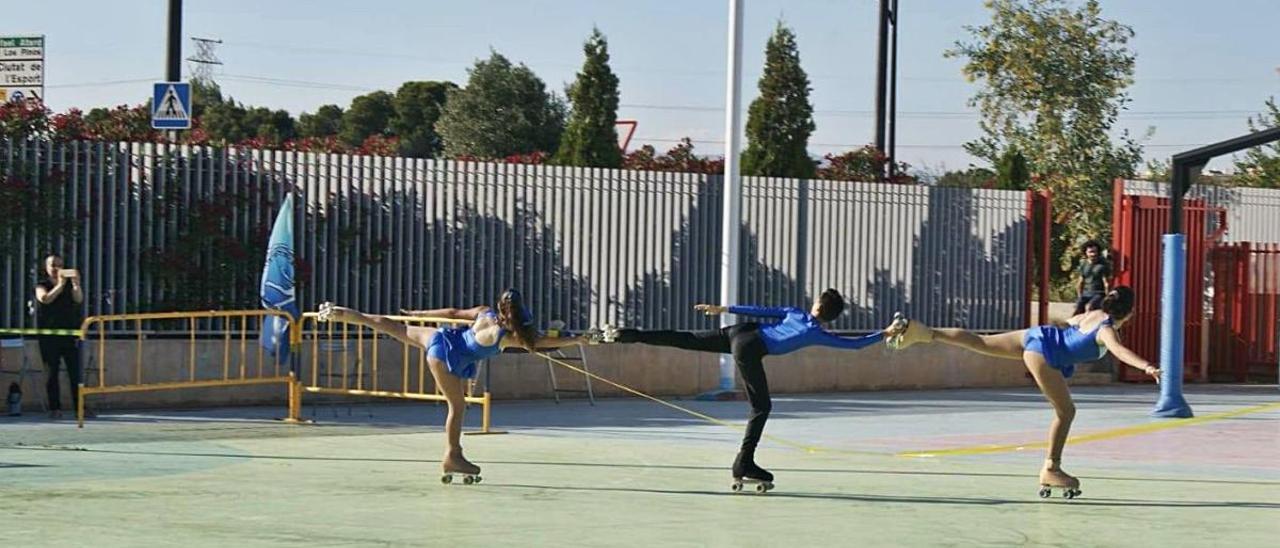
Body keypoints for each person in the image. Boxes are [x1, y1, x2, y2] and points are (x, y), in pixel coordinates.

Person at [600, 289, 895, 491]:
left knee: (686, 339)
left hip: (739, 331)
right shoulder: (817, 332)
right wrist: (884, 334)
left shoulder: (794, 312)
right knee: (762, 407)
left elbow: (762, 310)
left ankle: (625, 335)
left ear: (817, 305)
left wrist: (724, 309)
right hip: (751, 346)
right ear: (829, 314)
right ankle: (744, 462)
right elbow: (854, 344)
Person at [887, 286, 1160, 498]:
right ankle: (1051, 468)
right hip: (1042, 352)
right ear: (1130, 313)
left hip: (1036, 335)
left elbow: (1070, 323)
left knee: (980, 341)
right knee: (1066, 412)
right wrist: (1148, 367)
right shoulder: (1107, 329)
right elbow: (1120, 352)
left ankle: (923, 333)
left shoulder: (1093, 314)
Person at [316, 289, 590, 483]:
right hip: (445, 356)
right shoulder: (503, 336)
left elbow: (452, 312)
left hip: (441, 337)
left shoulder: (485, 313)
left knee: (387, 325)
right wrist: (576, 340)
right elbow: (541, 342)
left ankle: (338, 313)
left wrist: (418, 313)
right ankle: (452, 455)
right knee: (456, 407)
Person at [33, 254, 84, 420]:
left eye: (59, 265)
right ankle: (55, 408)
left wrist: (76, 284)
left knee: (75, 373)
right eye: (52, 265)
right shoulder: (42, 285)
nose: (56, 269)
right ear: (46, 268)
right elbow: (44, 299)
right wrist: (60, 286)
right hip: (49, 337)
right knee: (52, 372)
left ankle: (80, 408)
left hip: (69, 334)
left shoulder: (68, 285)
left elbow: (78, 300)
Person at [1074, 240, 1112, 315]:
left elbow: (1106, 283)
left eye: (1095, 252)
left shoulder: (1102, 265)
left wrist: (1107, 298)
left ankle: (1089, 324)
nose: (1093, 254)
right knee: (1078, 309)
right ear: (1086, 252)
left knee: (1089, 307)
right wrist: (1079, 296)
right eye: (1090, 252)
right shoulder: (1083, 264)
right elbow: (1080, 281)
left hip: (1098, 294)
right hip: (1086, 293)